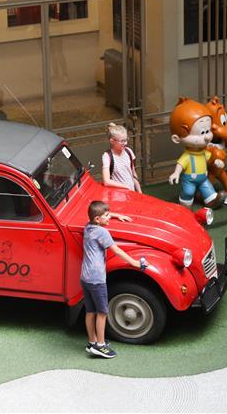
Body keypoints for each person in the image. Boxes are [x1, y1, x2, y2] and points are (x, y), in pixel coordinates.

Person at [81, 200, 145, 359]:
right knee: (102, 312)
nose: (109, 217)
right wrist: (134, 263)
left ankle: (92, 342)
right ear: (98, 219)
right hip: (97, 278)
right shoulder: (102, 232)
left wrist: (116, 215)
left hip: (85, 277)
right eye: (107, 215)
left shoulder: (88, 227)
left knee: (90, 311)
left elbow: (97, 215)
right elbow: (116, 250)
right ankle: (100, 346)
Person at [101, 123, 142, 193]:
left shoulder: (129, 151)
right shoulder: (107, 156)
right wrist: (126, 187)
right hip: (118, 195)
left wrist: (140, 192)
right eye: (122, 141)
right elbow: (106, 181)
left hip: (131, 192)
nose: (125, 143)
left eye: (126, 140)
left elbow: (133, 174)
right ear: (112, 141)